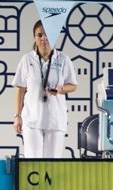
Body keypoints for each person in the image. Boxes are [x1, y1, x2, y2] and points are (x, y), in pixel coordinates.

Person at [13, 20, 78, 158]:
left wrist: (60, 89)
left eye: (47, 34)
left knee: (51, 164)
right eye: (39, 35)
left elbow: (73, 85)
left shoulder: (63, 59)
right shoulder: (27, 60)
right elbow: (20, 89)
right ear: (34, 38)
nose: (44, 38)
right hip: (32, 119)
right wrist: (17, 116)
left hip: (55, 119)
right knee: (32, 162)